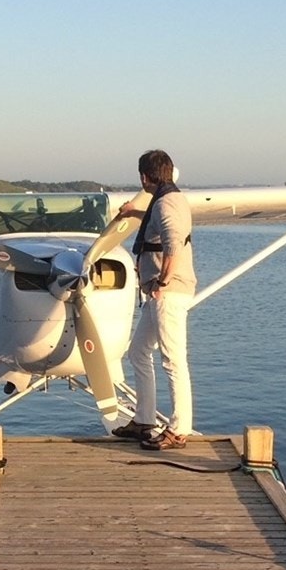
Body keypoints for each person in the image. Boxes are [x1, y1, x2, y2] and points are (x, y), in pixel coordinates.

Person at [111, 149, 195, 450]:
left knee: (173, 360)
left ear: (145, 177)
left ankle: (179, 428)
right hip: (159, 293)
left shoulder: (166, 204)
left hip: (167, 293)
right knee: (137, 352)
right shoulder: (168, 200)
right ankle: (144, 419)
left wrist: (162, 281)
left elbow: (172, 243)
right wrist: (132, 213)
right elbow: (158, 224)